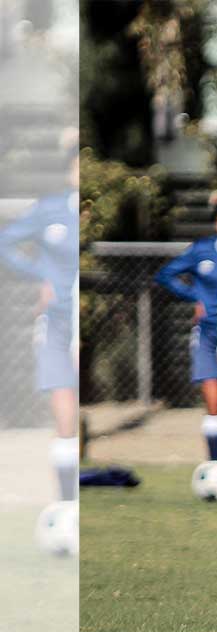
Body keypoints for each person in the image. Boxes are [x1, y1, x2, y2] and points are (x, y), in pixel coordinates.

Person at [155, 192, 217, 498]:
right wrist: (194, 297)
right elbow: (165, 275)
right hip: (208, 335)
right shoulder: (202, 250)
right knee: (213, 403)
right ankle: (214, 466)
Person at [0, 147, 80, 506]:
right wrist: (40, 276)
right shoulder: (50, 209)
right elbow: (5, 243)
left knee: (77, 405)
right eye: (77, 166)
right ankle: (66, 504)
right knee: (63, 409)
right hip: (56, 323)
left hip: (82, 324)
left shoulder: (90, 214)